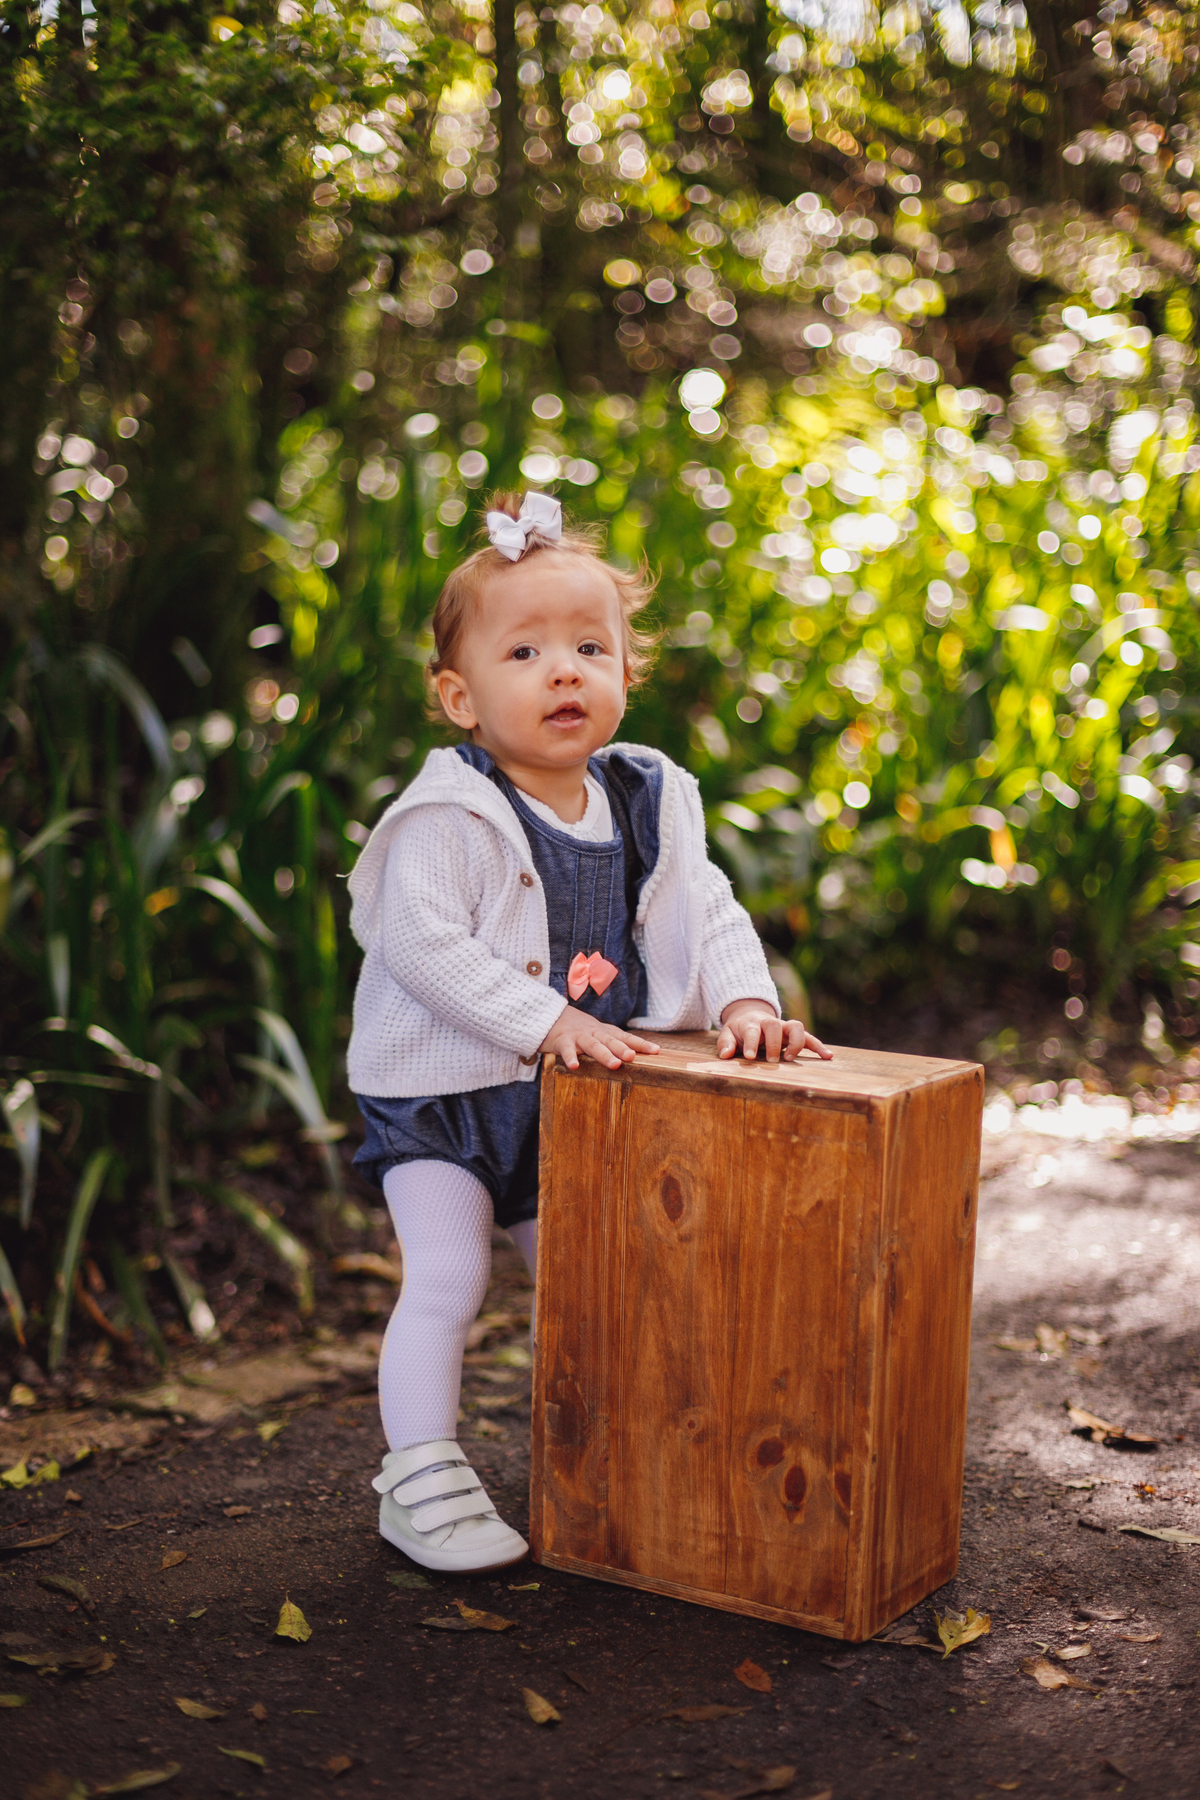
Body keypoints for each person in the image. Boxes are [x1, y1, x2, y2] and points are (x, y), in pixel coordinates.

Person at [346, 490, 831, 1574]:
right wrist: (545, 1016)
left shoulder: (648, 797)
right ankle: (417, 1474)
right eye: (524, 652)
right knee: (448, 1273)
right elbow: (422, 949)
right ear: (459, 696)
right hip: (443, 1101)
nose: (564, 671)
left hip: (566, 1099)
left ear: (625, 672)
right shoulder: (446, 816)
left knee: (592, 1284)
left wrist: (744, 999)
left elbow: (704, 910)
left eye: (588, 646)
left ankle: (609, 1464)